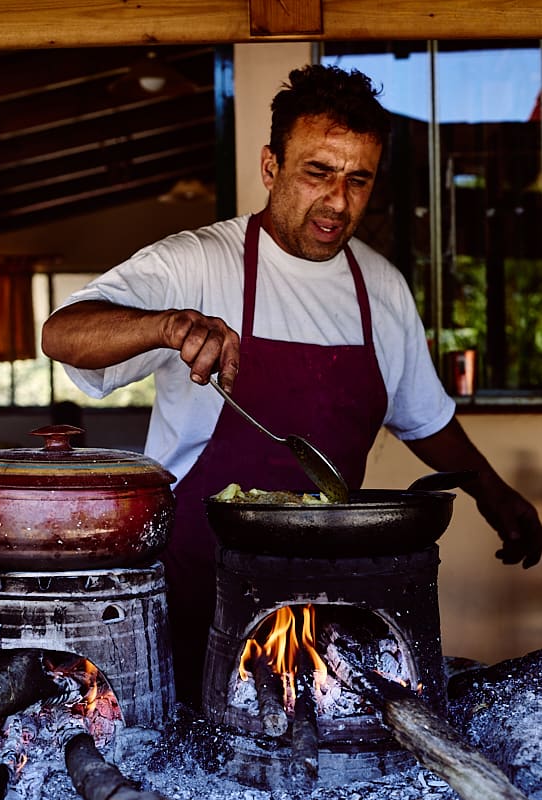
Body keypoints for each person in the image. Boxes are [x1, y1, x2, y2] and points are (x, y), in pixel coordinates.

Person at [42, 64, 542, 708]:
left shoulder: (379, 287)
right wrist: (167, 324)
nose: (338, 201)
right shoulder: (197, 260)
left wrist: (495, 496)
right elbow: (63, 333)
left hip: (325, 597)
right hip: (198, 578)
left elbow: (426, 419)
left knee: (316, 741)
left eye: (358, 179)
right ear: (270, 165)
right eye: (318, 173)